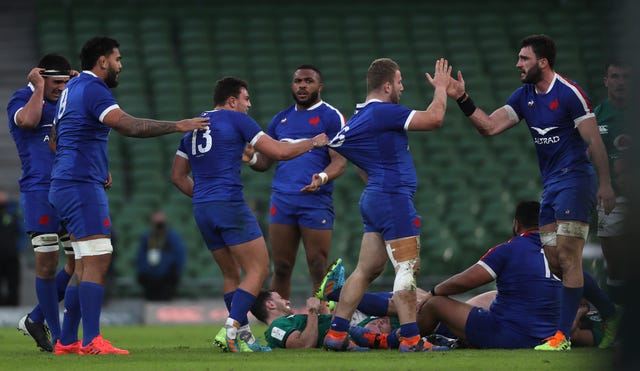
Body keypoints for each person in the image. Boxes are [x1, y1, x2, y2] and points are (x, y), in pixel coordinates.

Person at [446, 34, 616, 351]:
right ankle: (609, 313)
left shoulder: (569, 94)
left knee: (568, 255)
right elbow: (489, 127)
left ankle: (562, 337)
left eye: (524, 58)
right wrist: (462, 97)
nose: (517, 64)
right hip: (551, 184)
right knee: (557, 263)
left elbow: (594, 141)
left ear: (542, 62)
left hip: (575, 180)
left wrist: (604, 183)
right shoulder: (525, 96)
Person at [48, 36, 209, 356]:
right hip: (80, 185)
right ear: (102, 61)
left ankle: (66, 341)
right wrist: (179, 125)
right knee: (98, 258)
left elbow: (55, 138)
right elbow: (130, 126)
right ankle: (92, 339)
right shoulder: (93, 88)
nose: (121, 65)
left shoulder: (70, 90)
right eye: (118, 59)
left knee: (83, 263)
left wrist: (93, 162)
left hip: (66, 182)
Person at [170, 76, 328, 353]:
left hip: (203, 208)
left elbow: (177, 177)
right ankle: (230, 330)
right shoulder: (237, 120)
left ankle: (243, 337)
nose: (249, 105)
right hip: (229, 203)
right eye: (246, 99)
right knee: (258, 269)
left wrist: (206, 196)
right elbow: (277, 151)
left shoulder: (193, 128)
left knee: (231, 273)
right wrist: (312, 142)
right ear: (232, 101)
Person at [322, 57, 452, 352]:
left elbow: (358, 162)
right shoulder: (383, 113)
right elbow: (435, 119)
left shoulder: (358, 117)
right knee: (407, 268)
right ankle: (410, 338)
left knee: (365, 270)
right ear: (387, 85)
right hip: (393, 197)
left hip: (375, 197)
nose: (403, 87)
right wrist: (441, 88)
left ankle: (337, 333)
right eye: (400, 81)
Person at [245, 64, 346, 304]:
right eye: (298, 81)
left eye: (308, 81)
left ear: (319, 87)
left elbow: (340, 163)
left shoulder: (331, 116)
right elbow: (265, 162)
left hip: (315, 201)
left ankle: (321, 320)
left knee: (318, 266)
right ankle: (279, 322)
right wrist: (251, 159)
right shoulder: (280, 119)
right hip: (282, 200)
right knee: (280, 266)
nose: (302, 85)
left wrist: (321, 178)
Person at [408, 201, 563, 349]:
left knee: (435, 303)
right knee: (493, 296)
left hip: (506, 334)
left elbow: (466, 281)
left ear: (516, 224)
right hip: (549, 337)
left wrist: (434, 292)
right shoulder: (561, 253)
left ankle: (398, 339)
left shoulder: (509, 249)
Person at [6, 54, 78, 352]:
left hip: (69, 189)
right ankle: (59, 334)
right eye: (55, 82)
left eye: (65, 82)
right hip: (39, 191)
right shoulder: (22, 98)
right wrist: (37, 88)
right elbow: (29, 122)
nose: (61, 87)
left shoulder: (66, 100)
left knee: (80, 262)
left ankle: (36, 318)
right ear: (40, 77)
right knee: (47, 265)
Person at [594, 59, 630, 307]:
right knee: (615, 267)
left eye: (626, 77)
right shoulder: (596, 116)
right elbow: (586, 154)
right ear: (606, 81)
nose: (621, 83)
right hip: (612, 200)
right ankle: (615, 323)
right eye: (615, 77)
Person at [135, 210, 186, 301]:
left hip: (167, 280)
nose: (159, 226)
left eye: (161, 223)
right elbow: (140, 256)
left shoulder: (172, 237)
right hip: (149, 280)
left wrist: (174, 274)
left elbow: (179, 256)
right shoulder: (147, 237)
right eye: (156, 223)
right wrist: (142, 273)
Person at [0, 191, 23, 307]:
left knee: (13, 286)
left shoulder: (13, 217)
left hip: (11, 258)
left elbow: (22, 235)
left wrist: (16, 249)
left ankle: (13, 311)